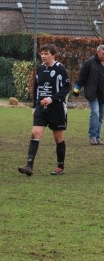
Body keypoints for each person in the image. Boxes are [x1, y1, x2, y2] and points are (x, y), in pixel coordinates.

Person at [18, 44, 71, 176]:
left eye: (46, 53)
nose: (43, 56)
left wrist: (52, 98)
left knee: (58, 137)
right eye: (41, 53)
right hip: (41, 107)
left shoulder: (60, 69)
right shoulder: (40, 69)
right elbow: (36, 89)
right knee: (35, 133)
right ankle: (29, 166)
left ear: (53, 55)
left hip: (56, 107)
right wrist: (35, 106)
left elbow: (66, 88)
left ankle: (60, 166)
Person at [73, 44, 104, 145]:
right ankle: (92, 136)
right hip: (92, 93)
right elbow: (82, 77)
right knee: (95, 112)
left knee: (101, 116)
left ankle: (98, 137)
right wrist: (76, 91)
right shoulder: (90, 62)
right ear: (97, 52)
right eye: (103, 53)